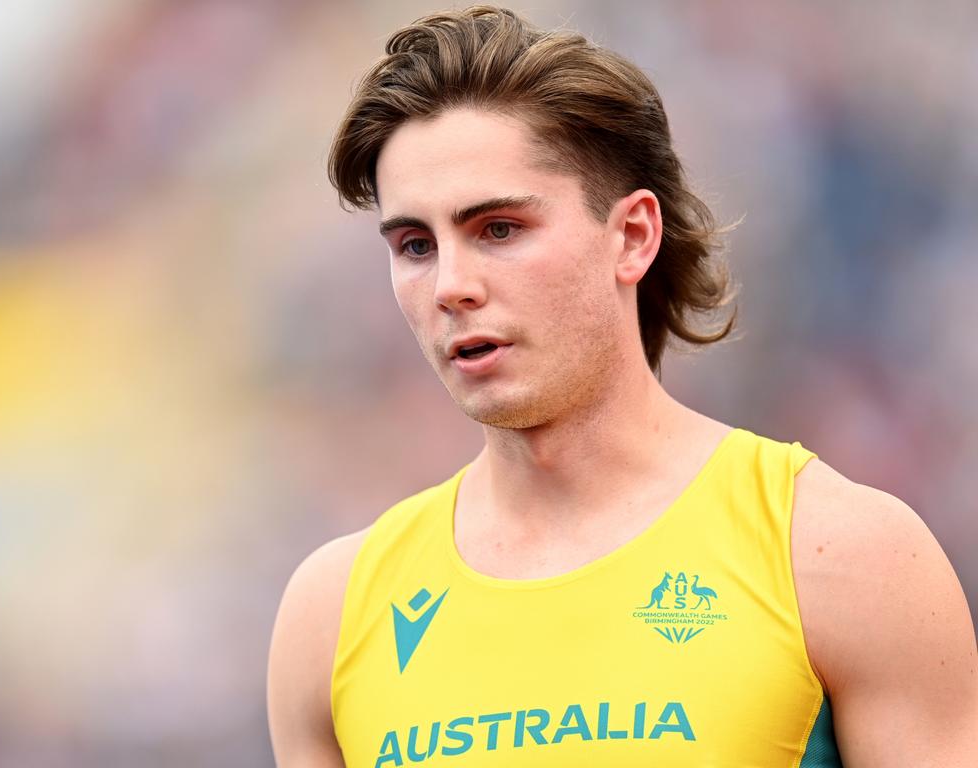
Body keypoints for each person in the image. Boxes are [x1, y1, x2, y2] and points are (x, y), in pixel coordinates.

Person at [267, 6, 977, 767]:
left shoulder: (840, 554)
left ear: (632, 235)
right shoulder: (333, 614)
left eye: (498, 229)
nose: (450, 284)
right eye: (414, 244)